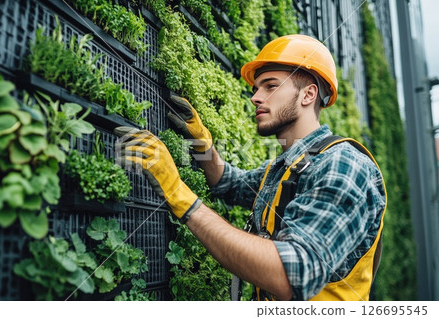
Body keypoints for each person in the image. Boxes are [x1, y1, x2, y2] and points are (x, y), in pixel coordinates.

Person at [115, 34, 386, 301]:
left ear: (308, 94)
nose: (256, 97)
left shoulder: (343, 165)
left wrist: (178, 193)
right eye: (256, 88)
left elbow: (291, 274)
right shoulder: (285, 167)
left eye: (270, 86)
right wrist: (203, 146)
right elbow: (230, 184)